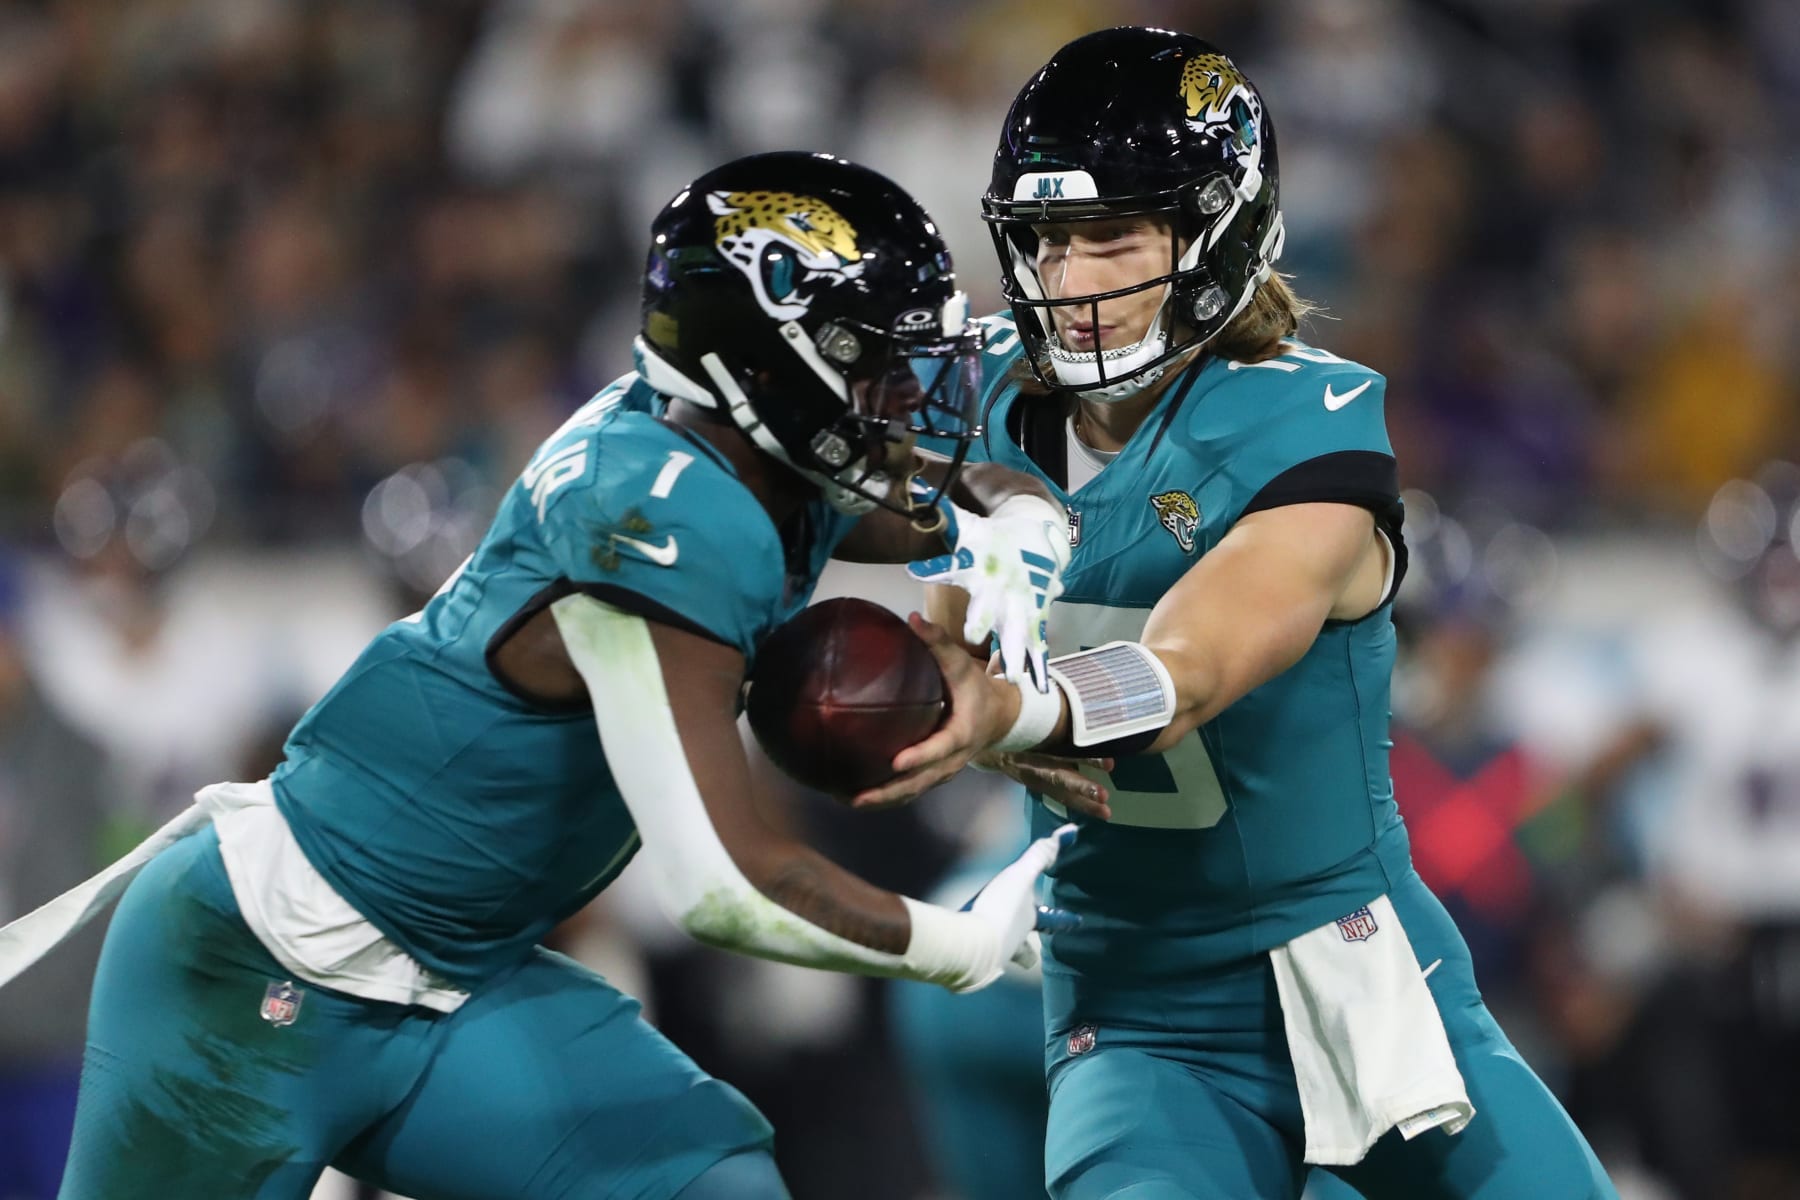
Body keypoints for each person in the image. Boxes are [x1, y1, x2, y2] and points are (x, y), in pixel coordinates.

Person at [0, 151, 1078, 1200]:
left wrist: (1021, 537)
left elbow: (960, 493)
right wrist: (965, 943)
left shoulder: (732, 448)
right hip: (262, 968)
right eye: (872, 361)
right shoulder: (660, 516)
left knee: (714, 1186)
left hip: (459, 978)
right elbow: (725, 887)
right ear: (763, 363)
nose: (907, 393)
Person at [866, 28, 1617, 1200]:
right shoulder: (977, 398)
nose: (1070, 279)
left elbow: (1189, 670)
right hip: (1138, 1010)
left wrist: (1012, 712)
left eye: (1112, 236)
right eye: (1049, 240)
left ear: (1215, 232)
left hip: (1358, 972)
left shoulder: (1303, 422)